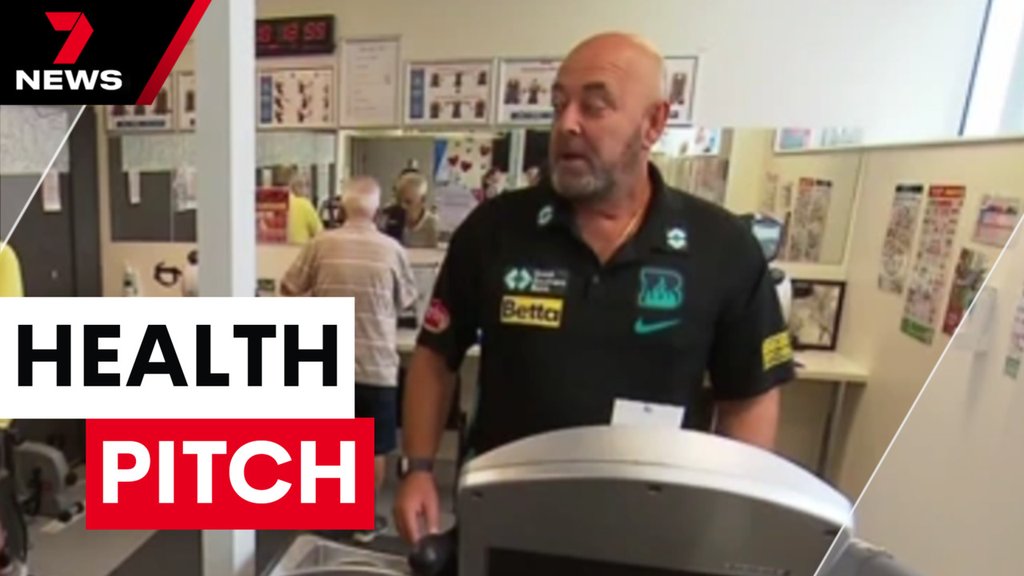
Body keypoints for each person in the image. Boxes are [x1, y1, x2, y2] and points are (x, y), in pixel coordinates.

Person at [394, 32, 795, 546]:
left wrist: (731, 516)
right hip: (507, 518)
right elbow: (435, 356)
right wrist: (419, 467)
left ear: (654, 123)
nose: (567, 124)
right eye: (558, 104)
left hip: (652, 531)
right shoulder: (496, 229)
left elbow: (749, 396)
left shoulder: (721, 247)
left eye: (594, 106)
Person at [280, 176, 419, 543]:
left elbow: (288, 288)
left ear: (341, 207)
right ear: (377, 211)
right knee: (372, 446)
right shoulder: (392, 250)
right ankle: (362, 521)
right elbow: (407, 302)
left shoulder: (320, 245)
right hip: (376, 364)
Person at [285, 169, 324, 244]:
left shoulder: (282, 202)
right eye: (306, 186)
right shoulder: (305, 204)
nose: (306, 191)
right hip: (300, 248)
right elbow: (320, 233)